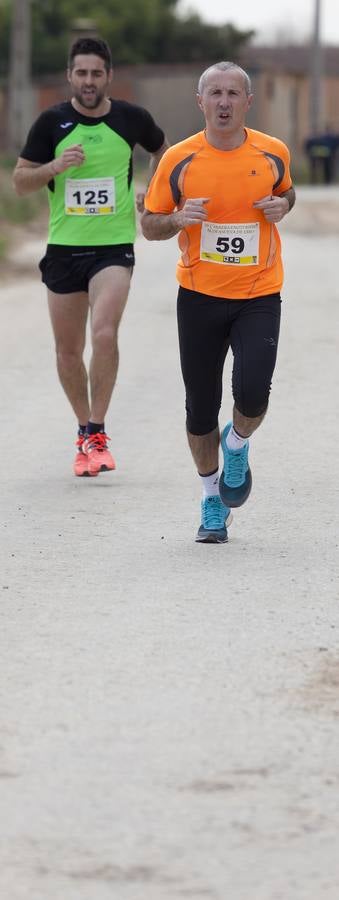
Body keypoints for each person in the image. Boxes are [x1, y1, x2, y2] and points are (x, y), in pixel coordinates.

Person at [141, 61, 295, 543]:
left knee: (253, 394)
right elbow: (149, 225)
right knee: (200, 410)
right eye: (216, 93)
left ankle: (238, 443)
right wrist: (179, 220)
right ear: (200, 101)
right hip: (200, 297)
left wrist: (283, 206)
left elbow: (287, 193)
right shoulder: (179, 160)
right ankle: (212, 501)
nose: (224, 102)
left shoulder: (273, 152)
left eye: (233, 93)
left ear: (248, 102)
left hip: (259, 293)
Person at [13, 36, 168, 477]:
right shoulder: (52, 124)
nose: (88, 81)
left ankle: (98, 431)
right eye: (80, 72)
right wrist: (54, 168)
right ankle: (83, 431)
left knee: (103, 333)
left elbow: (164, 149)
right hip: (63, 249)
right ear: (69, 76)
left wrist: (153, 191)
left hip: (113, 248)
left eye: (96, 73)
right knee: (67, 350)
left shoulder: (131, 119)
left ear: (109, 77)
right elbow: (20, 181)